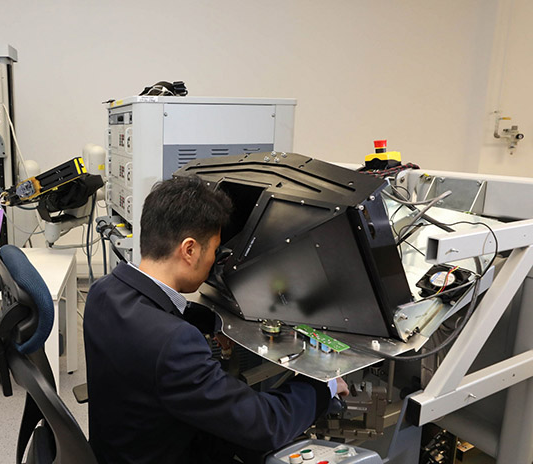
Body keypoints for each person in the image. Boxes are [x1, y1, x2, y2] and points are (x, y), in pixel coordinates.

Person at [83, 176, 349, 464]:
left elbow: (156, 313)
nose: (215, 260)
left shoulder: (103, 291)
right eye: (214, 250)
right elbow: (265, 424)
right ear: (189, 250)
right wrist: (323, 386)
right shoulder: (174, 343)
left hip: (119, 449)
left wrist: (214, 322)